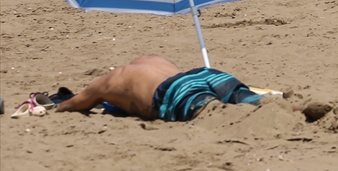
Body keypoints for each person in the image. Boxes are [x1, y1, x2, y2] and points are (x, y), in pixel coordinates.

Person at [54, 55, 261, 122]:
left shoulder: (109, 81)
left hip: (175, 90)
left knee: (214, 115)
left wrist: (60, 106)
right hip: (202, 74)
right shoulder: (153, 60)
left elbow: (71, 105)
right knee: (258, 104)